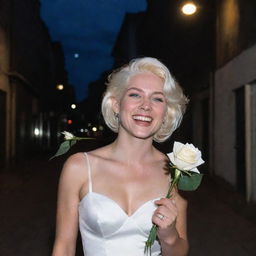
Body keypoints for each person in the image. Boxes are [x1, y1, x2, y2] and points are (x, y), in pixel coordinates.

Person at [52, 57, 189, 256]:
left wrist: (169, 236)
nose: (146, 106)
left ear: (166, 111)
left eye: (157, 98)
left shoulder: (176, 172)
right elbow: (63, 248)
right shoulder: (80, 167)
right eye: (135, 95)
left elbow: (180, 251)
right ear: (116, 104)